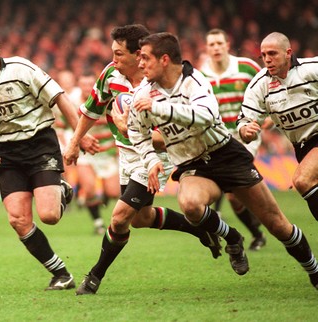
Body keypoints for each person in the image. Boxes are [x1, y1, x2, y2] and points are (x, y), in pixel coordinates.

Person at [128, 31, 318, 290]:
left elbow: (205, 115)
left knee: (277, 224)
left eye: (145, 58)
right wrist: (150, 160)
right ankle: (233, 237)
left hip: (225, 154)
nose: (140, 64)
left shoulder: (195, 81)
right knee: (190, 205)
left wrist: (158, 108)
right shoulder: (143, 92)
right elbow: (135, 132)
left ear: (163, 59)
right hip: (192, 164)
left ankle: (313, 270)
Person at [64, 24, 222, 296]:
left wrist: (128, 129)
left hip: (156, 155)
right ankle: (199, 228)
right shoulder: (110, 74)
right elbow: (91, 110)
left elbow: (170, 135)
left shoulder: (160, 85)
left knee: (119, 218)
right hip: (126, 154)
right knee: (141, 218)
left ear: (139, 55)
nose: (113, 60)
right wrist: (74, 142)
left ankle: (94, 277)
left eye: (119, 54)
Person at [0, 31, 97, 291]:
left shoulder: (21, 69)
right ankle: (61, 274)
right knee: (17, 220)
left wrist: (79, 137)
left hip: (39, 143)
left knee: (49, 216)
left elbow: (60, 98)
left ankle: (61, 189)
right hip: (7, 152)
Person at [238, 33, 318, 248]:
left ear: (288, 53)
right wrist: (247, 129)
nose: (267, 59)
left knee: (302, 180)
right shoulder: (259, 86)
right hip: (301, 147)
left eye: (272, 53)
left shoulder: (311, 69)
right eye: (263, 55)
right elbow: (244, 121)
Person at [200, 28, 266, 251]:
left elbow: (269, 87)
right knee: (235, 197)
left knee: (232, 190)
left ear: (228, 44)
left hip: (245, 134)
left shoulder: (246, 68)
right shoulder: (201, 76)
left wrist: (266, 120)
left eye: (220, 43)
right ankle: (258, 233)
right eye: (212, 44)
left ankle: (229, 225)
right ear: (206, 48)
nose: (216, 47)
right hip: (219, 138)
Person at [74, 72, 120, 235]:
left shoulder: (107, 102)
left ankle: (101, 200)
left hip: (106, 152)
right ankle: (98, 223)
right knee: (90, 189)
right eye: (83, 84)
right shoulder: (73, 103)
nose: (87, 88)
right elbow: (66, 124)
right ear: (78, 85)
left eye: (89, 84)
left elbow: (118, 125)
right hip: (86, 154)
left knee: (114, 192)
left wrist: (118, 146)